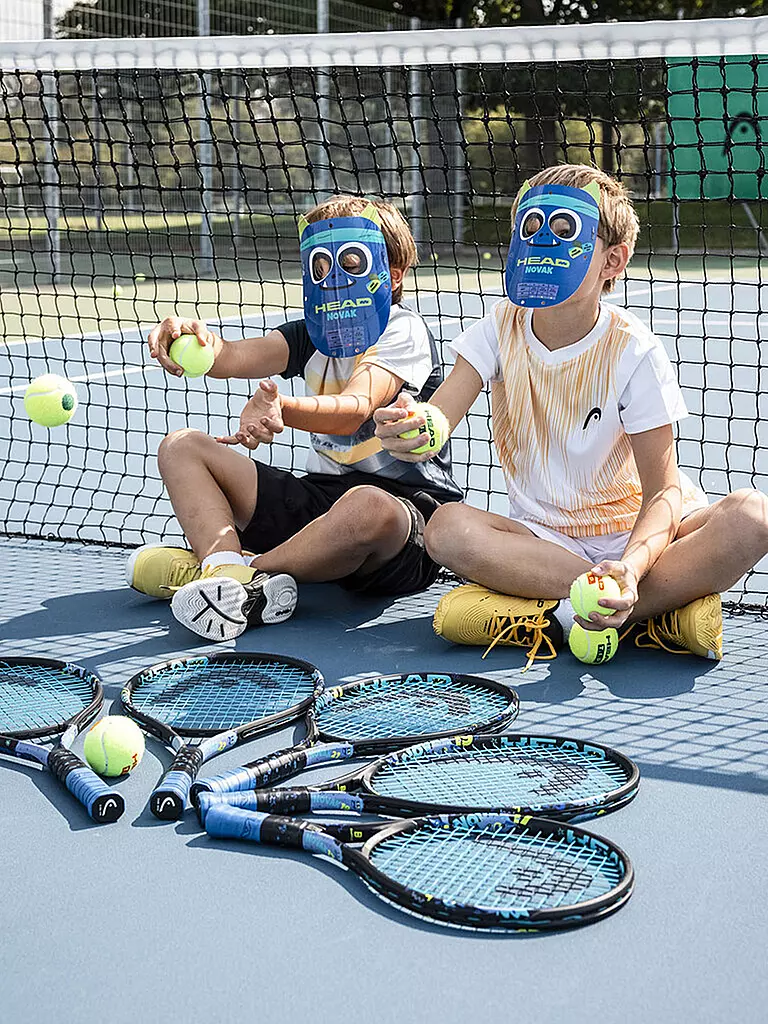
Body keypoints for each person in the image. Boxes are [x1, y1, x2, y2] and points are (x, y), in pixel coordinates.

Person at [374, 164, 768, 667]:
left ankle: (578, 610)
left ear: (612, 260)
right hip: (544, 541)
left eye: (564, 230)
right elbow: (442, 413)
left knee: (753, 518)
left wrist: (630, 566)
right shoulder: (498, 328)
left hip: (641, 536)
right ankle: (655, 613)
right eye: (530, 227)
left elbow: (664, 490)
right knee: (445, 529)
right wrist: (415, 425)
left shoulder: (633, 351)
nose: (542, 241)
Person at [127, 196, 461, 640]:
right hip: (317, 506)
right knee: (180, 446)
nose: (332, 280)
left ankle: (244, 574)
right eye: (320, 267)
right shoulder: (311, 335)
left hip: (402, 527)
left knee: (368, 505)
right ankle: (223, 569)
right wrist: (191, 337)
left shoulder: (401, 329)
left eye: (351, 262)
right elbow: (234, 356)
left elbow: (355, 411)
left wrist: (281, 408)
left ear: (391, 274)